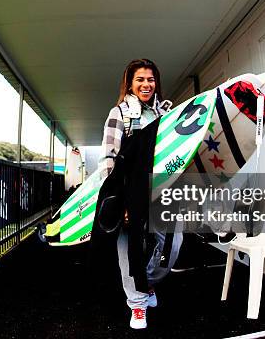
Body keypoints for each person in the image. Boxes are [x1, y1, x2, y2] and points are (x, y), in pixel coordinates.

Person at [98, 58, 183, 329]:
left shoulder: (164, 114)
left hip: (161, 189)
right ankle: (136, 304)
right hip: (129, 189)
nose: (146, 85)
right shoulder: (119, 113)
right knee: (129, 249)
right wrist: (117, 198)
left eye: (150, 79)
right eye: (140, 80)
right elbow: (109, 157)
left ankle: (145, 283)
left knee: (173, 244)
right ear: (130, 84)